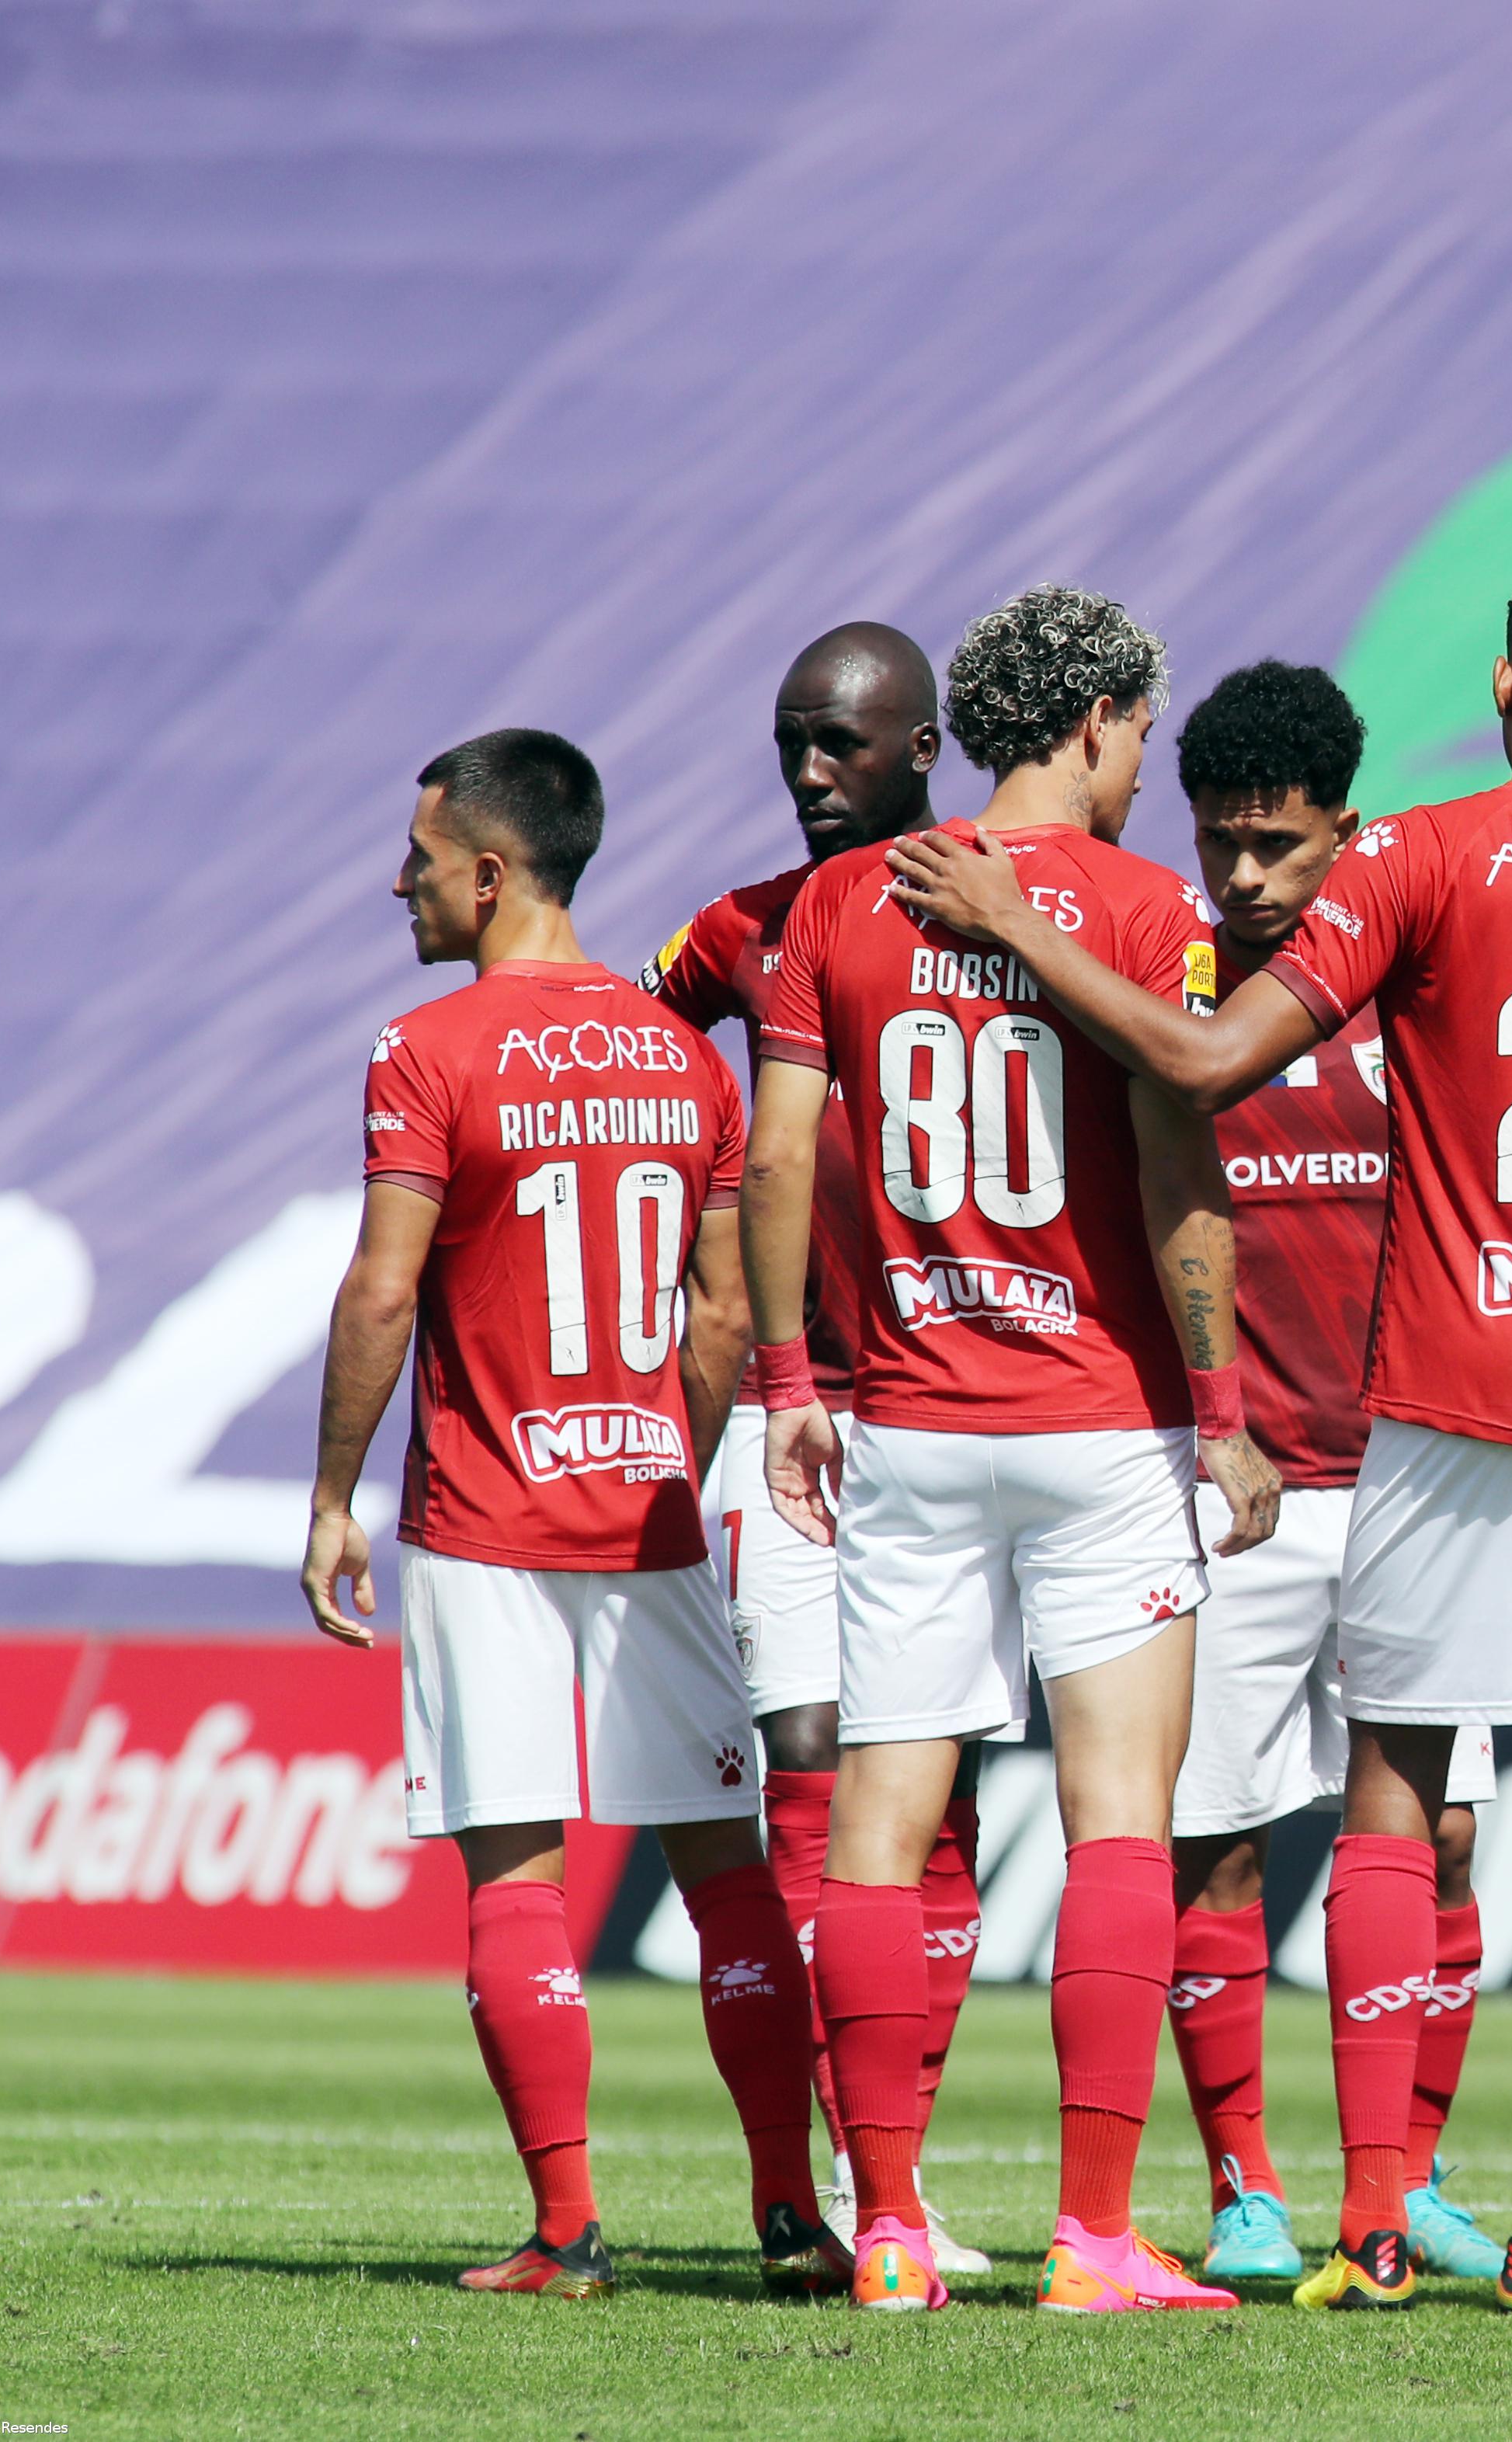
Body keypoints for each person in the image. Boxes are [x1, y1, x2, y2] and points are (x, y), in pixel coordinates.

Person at [882, 556, 1512, 2315]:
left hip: (1450, 1389)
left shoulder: (1422, 856)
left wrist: (1018, 925)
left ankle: (1375, 2220)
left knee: (1396, 1785)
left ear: (1505, 686)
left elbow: (1204, 1063)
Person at [742, 586, 1270, 2315]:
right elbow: (1181, 1165)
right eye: (1141, 738)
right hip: (1101, 1419)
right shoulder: (1146, 906)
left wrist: (791, 1381)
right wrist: (1224, 1410)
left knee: (880, 1823)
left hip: (902, 1416)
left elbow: (778, 1160)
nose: (1142, 770)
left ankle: (890, 2227)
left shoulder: (843, 901)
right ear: (1102, 719)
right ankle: (1094, 2236)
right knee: (1120, 1825)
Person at [302, 729, 832, 2298]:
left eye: (418, 858)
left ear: (488, 872)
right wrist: (666, 1458)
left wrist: (332, 1498)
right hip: (654, 1513)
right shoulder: (684, 1056)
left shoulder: (426, 1049)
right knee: (727, 1870)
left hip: (486, 1521)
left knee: (515, 1875)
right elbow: (723, 1312)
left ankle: (569, 2229)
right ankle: (789, 2211)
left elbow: (384, 1289)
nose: (397, 882)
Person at [640, 621, 992, 2280]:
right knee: (806, 1751)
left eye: (839, 742)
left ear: (924, 749)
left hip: (967, 1404)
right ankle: (828, 2183)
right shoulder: (743, 929)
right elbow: (641, 1050)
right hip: (803, 1412)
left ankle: (889, 2165)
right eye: (790, 740)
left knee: (935, 1801)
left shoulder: (1004, 905)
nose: (806, 771)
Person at [1158, 659, 1508, 2286]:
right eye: (1218, 841)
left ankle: (1411, 2181)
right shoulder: (1162, 979)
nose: (1243, 878)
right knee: (1216, 1844)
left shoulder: (1418, 972)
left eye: (1277, 846)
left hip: (1415, 1476)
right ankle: (1245, 2191)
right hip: (1233, 1484)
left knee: (1445, 1841)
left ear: (1347, 832)